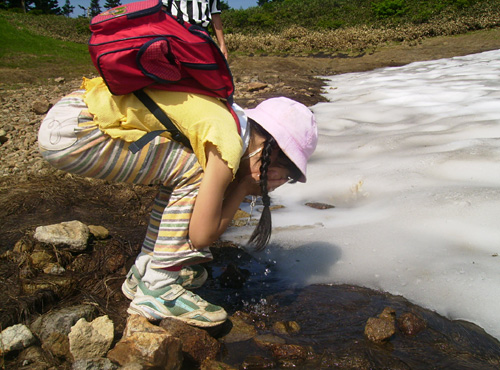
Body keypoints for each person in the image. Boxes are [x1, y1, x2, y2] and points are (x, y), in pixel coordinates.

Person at [37, 76, 318, 327]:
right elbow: (201, 235)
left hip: (75, 114)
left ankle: (146, 271)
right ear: (273, 151)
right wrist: (243, 187)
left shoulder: (232, 120)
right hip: (78, 133)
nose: (282, 182)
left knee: (185, 171)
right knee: (195, 170)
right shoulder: (228, 143)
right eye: (289, 174)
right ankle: (159, 288)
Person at [163, 0, 228, 59]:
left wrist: (222, 45)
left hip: (202, 35)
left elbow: (215, 14)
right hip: (178, 34)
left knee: (203, 68)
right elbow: (162, 9)